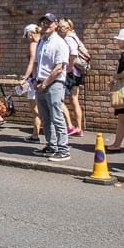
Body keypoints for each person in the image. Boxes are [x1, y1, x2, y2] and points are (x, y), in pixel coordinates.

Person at [32, 13, 71, 162]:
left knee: (57, 116)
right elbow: (38, 63)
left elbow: (59, 67)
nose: (46, 25)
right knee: (45, 117)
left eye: (49, 23)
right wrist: (36, 80)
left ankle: (63, 149)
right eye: (43, 23)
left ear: (55, 25)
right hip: (41, 83)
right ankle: (51, 145)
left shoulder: (59, 43)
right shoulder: (42, 41)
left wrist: (45, 83)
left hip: (54, 84)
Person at [57, 19, 87, 137]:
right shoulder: (74, 37)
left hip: (71, 73)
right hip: (77, 73)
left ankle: (69, 126)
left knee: (59, 99)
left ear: (68, 27)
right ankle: (78, 128)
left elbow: (73, 54)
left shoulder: (69, 39)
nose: (60, 29)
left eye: (62, 27)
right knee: (74, 100)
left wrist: (68, 69)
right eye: (59, 27)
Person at [17, 24, 42, 142]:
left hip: (34, 79)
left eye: (27, 35)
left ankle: (35, 135)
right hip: (43, 78)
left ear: (30, 33)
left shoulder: (33, 44)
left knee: (35, 109)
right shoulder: (43, 42)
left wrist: (25, 77)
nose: (27, 38)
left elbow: (32, 62)